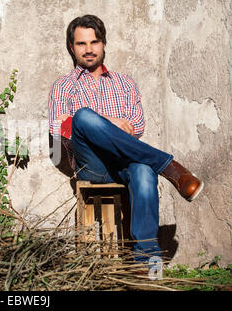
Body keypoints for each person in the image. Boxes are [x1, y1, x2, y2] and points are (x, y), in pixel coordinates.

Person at [48, 14, 204, 263]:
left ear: (104, 44)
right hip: (92, 166)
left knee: (143, 170)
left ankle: (146, 263)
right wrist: (109, 122)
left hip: (125, 162)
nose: (89, 50)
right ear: (71, 47)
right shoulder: (63, 85)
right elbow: (60, 128)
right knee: (82, 117)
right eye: (81, 44)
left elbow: (137, 126)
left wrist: (114, 130)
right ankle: (167, 166)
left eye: (95, 42)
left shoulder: (125, 83)